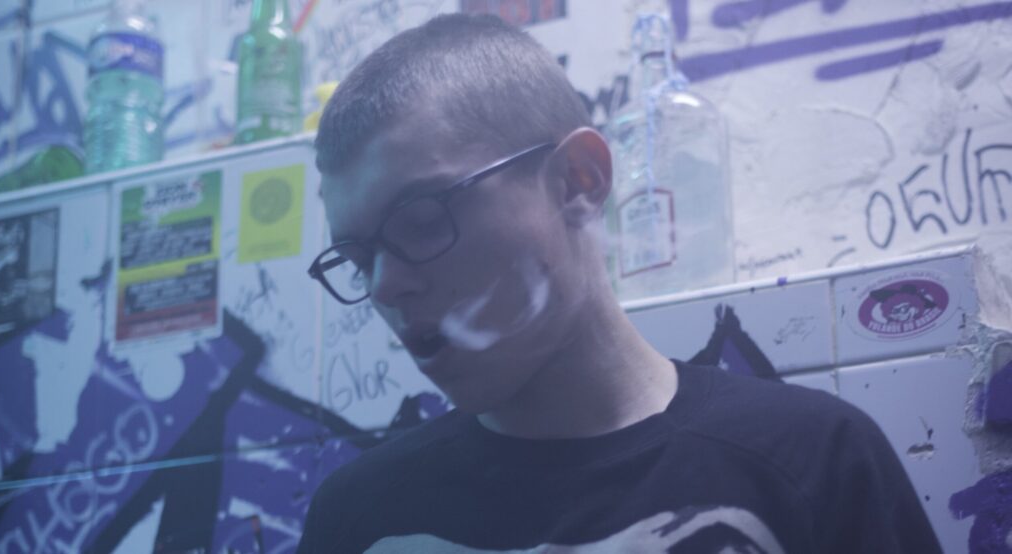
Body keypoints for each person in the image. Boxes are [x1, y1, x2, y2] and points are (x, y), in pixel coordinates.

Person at [299, 13, 942, 554]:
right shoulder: (359, 521)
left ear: (578, 181)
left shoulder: (815, 460)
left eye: (420, 221)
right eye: (357, 258)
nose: (384, 287)